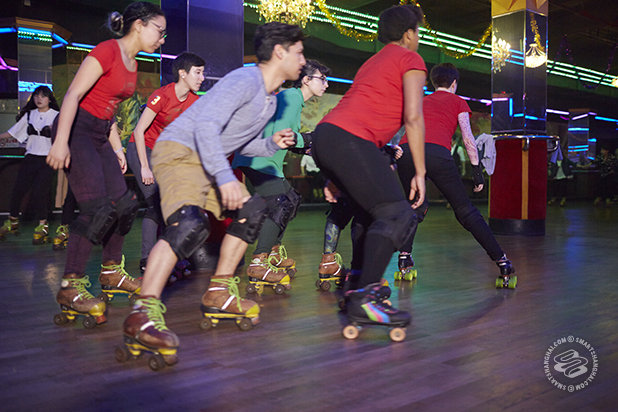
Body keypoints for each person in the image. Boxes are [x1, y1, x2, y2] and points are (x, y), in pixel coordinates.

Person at [121, 22, 304, 366]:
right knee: (188, 225)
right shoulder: (245, 80)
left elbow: (238, 142)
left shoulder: (269, 102)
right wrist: (224, 177)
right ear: (279, 53)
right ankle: (141, 314)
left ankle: (219, 291)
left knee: (253, 209)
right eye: (299, 52)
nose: (303, 60)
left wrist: (270, 143)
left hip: (206, 158)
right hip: (179, 150)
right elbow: (205, 126)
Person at [46, 2, 167, 326]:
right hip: (76, 130)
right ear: (139, 25)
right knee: (96, 210)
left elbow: (109, 108)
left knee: (125, 206)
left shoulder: (133, 62)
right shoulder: (107, 51)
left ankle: (112, 271)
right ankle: (70, 287)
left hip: (99, 134)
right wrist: (61, 141)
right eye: (159, 31)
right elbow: (72, 95)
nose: (162, 39)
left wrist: (115, 148)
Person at [311, 4, 427, 338]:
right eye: (418, 31)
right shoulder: (410, 59)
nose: (418, 37)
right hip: (350, 140)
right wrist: (419, 172)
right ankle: (366, 298)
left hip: (327, 137)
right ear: (409, 34)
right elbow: (413, 117)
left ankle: (355, 289)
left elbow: (356, 109)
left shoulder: (372, 62)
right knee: (398, 214)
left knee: (368, 213)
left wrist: (335, 173)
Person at [396, 62, 516, 289]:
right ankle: (503, 262)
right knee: (465, 211)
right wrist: (477, 170)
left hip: (407, 152)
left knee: (416, 205)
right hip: (437, 154)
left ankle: (404, 258)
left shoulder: (421, 101)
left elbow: (404, 127)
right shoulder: (458, 101)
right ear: (454, 83)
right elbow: (468, 138)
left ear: (434, 83)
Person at [233, 59, 330, 284]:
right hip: (258, 159)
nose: (326, 84)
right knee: (280, 203)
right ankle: (258, 263)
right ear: (306, 80)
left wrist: (306, 146)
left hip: (265, 161)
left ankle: (273, 253)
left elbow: (285, 138)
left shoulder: (293, 99)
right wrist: (309, 139)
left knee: (291, 199)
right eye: (322, 79)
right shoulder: (292, 98)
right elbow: (284, 135)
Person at [126, 52, 205, 273]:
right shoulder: (162, 96)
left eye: (203, 73)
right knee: (155, 204)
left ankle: (171, 256)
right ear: (182, 73)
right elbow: (139, 131)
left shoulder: (194, 101)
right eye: (198, 73)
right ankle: (147, 259)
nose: (202, 78)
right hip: (141, 148)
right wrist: (144, 167)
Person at [0, 86, 59, 243]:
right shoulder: (29, 115)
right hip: (31, 157)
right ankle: (13, 221)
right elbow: (12, 133)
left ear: (49, 99)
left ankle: (43, 225)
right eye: (36, 96)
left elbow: (66, 135)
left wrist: (54, 130)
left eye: (43, 96)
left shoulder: (57, 116)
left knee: (40, 192)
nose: (39, 99)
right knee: (18, 189)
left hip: (48, 158)